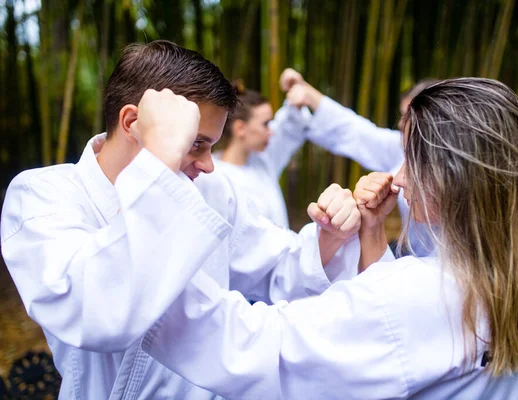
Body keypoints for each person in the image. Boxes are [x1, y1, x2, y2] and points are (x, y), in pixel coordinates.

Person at [142, 78, 518, 399]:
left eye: (411, 162)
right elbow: (409, 341)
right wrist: (370, 233)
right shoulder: (511, 273)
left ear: (453, 179)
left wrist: (140, 275)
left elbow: (262, 347)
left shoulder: (418, 294)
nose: (399, 178)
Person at [0, 40, 363, 399]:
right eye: (195, 144)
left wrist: (329, 237)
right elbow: (97, 310)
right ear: (132, 123)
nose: (208, 164)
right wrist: (158, 159)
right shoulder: (41, 196)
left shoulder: (211, 189)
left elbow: (276, 267)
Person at [281, 68, 440, 255]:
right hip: (413, 255)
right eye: (403, 115)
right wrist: (306, 90)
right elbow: (355, 131)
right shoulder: (399, 146)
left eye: (410, 116)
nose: (401, 123)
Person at [215, 81, 310, 228]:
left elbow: (290, 125)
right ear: (240, 128)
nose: (271, 131)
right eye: (265, 124)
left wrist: (295, 100)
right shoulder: (213, 174)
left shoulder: (263, 161)